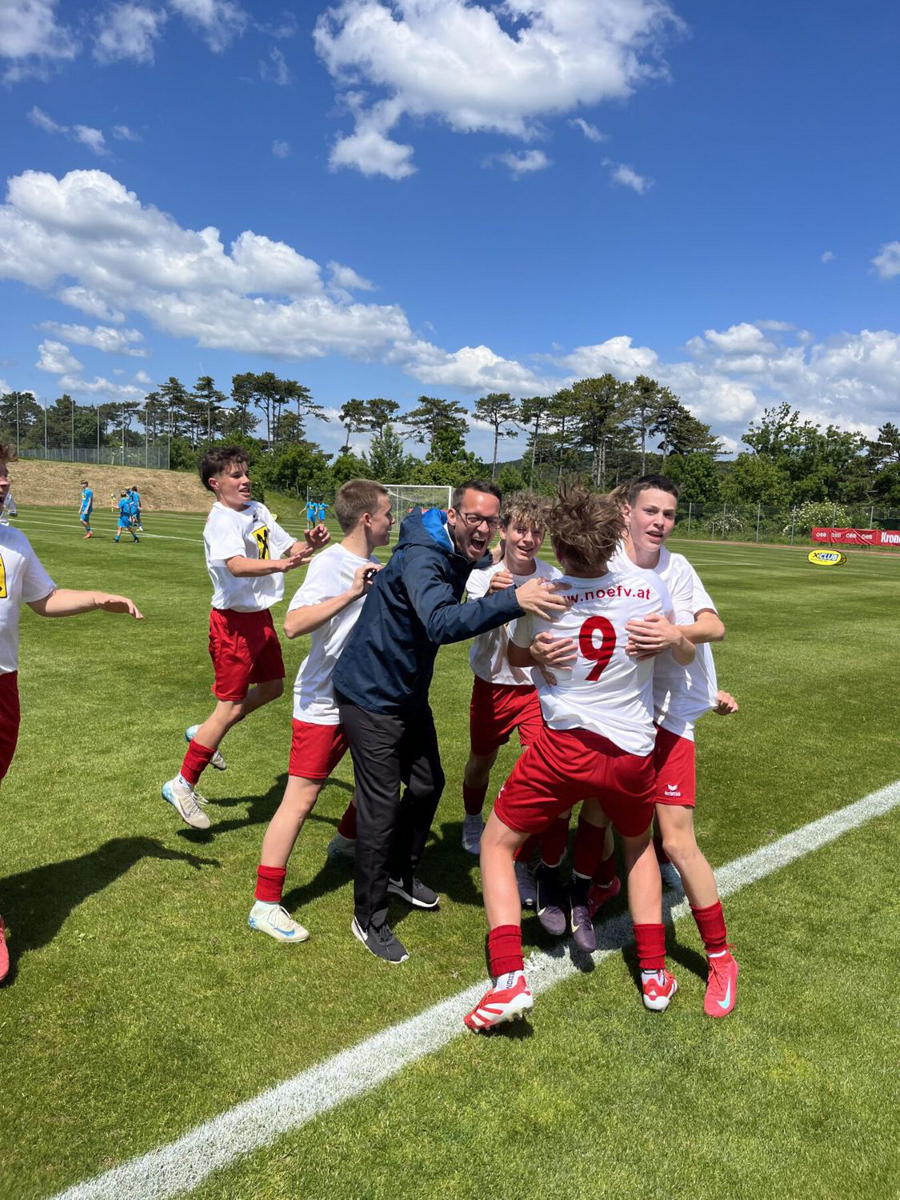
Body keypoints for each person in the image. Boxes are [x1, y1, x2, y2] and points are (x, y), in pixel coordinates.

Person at [464, 483, 696, 1032]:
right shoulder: (647, 587)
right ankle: (657, 974)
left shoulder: (543, 593)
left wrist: (537, 650)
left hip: (563, 747)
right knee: (638, 849)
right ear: (617, 533)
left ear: (559, 548)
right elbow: (676, 642)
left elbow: (518, 656)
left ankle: (508, 979)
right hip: (632, 751)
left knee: (496, 845)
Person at [333, 481, 569, 964]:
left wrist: (491, 575)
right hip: (371, 693)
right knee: (380, 808)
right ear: (453, 515)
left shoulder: (451, 545)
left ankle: (399, 872)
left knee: (426, 784)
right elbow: (440, 622)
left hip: (404, 692)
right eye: (475, 519)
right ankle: (369, 916)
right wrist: (513, 600)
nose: (483, 529)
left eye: (492, 521)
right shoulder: (425, 556)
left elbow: (471, 569)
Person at [0, 444, 142, 981]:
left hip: (2, 686)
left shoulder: (13, 542)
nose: (4, 483)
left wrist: (98, 597)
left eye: (6, 474)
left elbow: (43, 599)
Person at [607, 474, 739, 1017]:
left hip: (672, 716)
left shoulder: (676, 567)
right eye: (651, 511)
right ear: (626, 512)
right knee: (630, 834)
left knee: (677, 841)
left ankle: (721, 960)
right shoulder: (608, 563)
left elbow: (714, 626)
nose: (660, 522)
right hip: (625, 715)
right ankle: (650, 959)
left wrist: (673, 631)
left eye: (669, 514)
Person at [248, 480, 393, 942]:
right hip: (323, 701)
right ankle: (265, 904)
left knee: (383, 778)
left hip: (366, 698)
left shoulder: (375, 564)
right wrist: (350, 593)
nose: (392, 520)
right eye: (388, 513)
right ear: (367, 519)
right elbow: (292, 624)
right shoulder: (333, 564)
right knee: (301, 798)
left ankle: (347, 842)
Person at [160, 447, 329, 831]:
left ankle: (204, 733)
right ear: (215, 484)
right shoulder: (221, 520)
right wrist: (281, 564)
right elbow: (236, 565)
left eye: (246, 473)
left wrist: (311, 544)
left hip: (260, 618)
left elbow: (290, 549)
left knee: (272, 687)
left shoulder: (258, 510)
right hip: (233, 624)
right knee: (229, 708)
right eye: (235, 475)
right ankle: (181, 783)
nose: (245, 480)